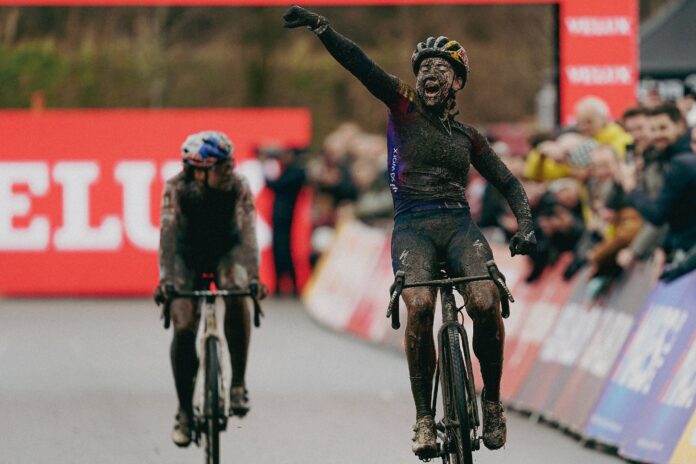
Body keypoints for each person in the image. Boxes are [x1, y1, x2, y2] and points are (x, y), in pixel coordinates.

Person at [283, 6, 536, 458]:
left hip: (458, 225)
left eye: (441, 69)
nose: (430, 76)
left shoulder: (469, 137)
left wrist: (527, 226)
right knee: (418, 303)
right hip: (413, 226)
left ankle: (492, 400)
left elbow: (509, 183)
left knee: (483, 300)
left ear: (458, 82)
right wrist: (324, 29)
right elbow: (361, 65)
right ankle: (424, 417)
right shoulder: (402, 105)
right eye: (423, 69)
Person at [154, 131, 266, 447]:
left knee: (237, 289)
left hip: (226, 252)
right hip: (185, 256)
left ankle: (238, 384)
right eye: (222, 165)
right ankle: (185, 412)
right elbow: (168, 234)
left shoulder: (237, 185)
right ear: (199, 169)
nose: (230, 169)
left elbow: (247, 233)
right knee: (184, 323)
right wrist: (166, 281)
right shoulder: (177, 187)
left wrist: (253, 278)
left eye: (230, 163)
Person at [619, 104, 696, 280]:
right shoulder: (664, 158)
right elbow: (676, 211)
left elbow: (657, 213)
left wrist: (630, 187)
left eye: (663, 128)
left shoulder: (682, 163)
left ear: (680, 125)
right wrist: (664, 246)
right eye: (653, 129)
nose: (657, 135)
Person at [259, 144, 307, 295]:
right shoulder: (287, 171)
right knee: (278, 252)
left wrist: (265, 171)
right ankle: (280, 285)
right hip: (279, 217)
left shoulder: (297, 172)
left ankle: (292, 285)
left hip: (287, 217)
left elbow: (275, 184)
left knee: (285, 251)